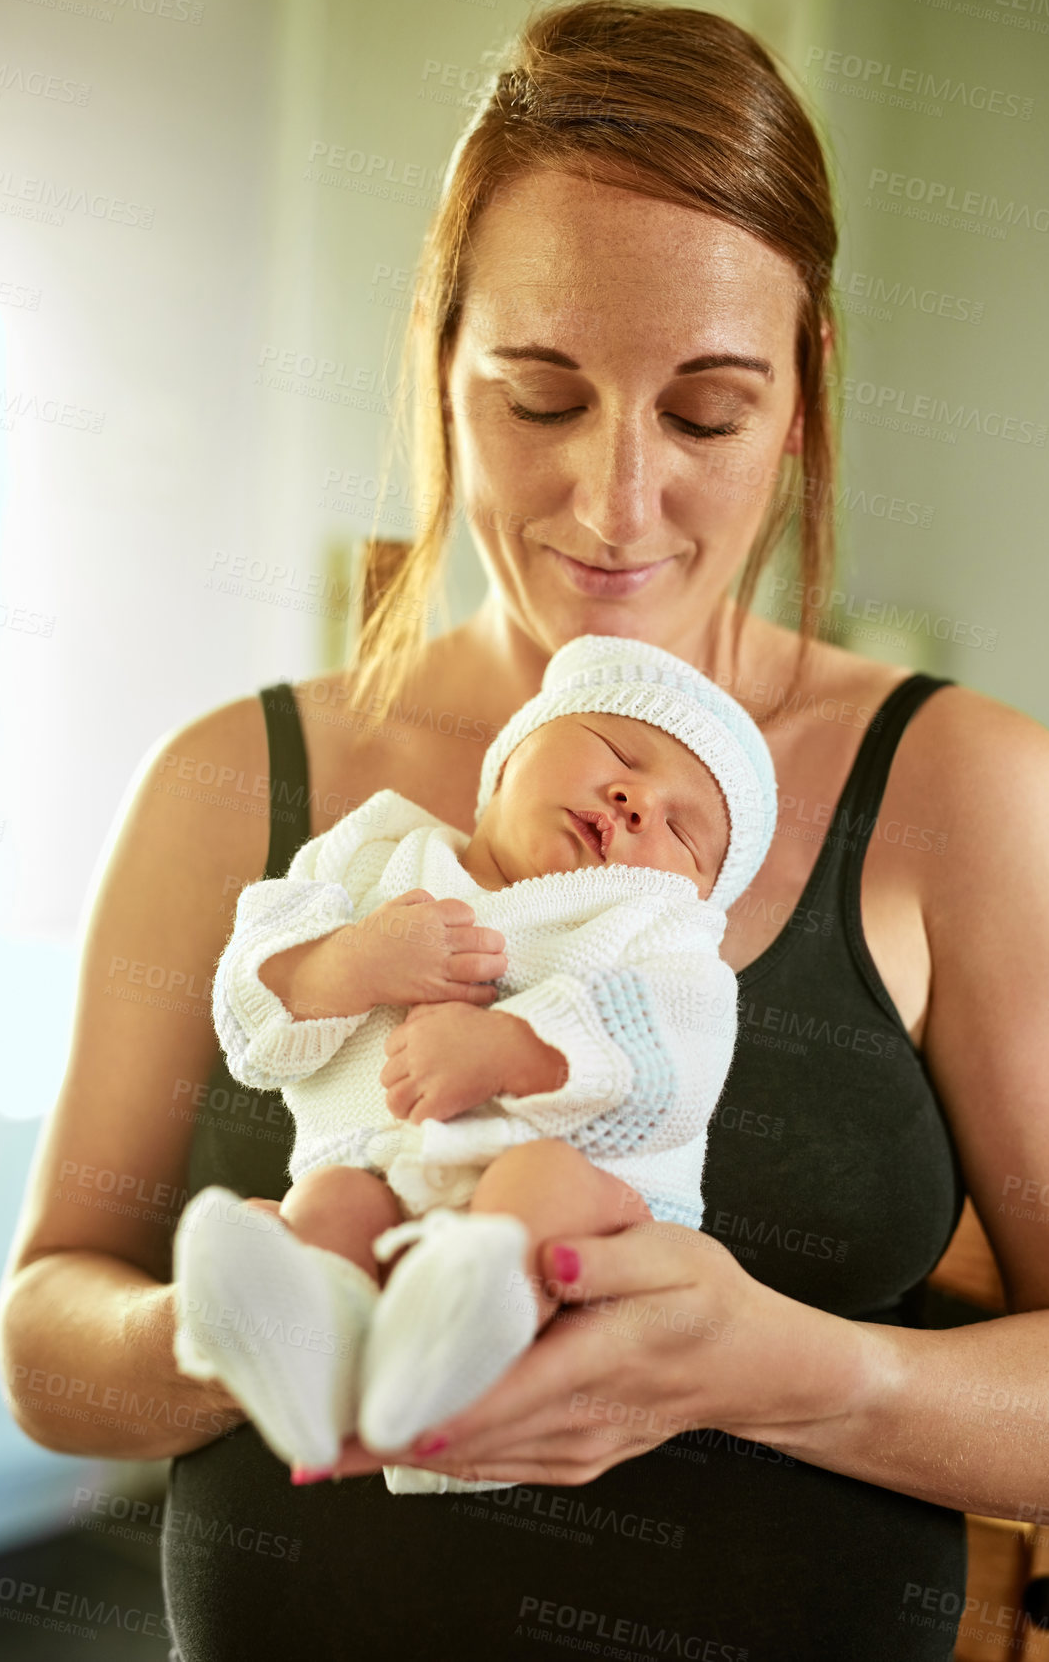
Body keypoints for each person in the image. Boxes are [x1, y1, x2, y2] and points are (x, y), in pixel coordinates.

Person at [0, 0, 1049, 1662]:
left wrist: (805, 1374)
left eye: (708, 414)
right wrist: (264, 1335)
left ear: (800, 403)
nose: (614, 501)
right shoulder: (237, 780)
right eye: (538, 395)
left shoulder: (966, 791)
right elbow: (47, 1341)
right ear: (439, 366)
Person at [171, 634, 776, 1490]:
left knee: (536, 1183)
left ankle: (460, 1339)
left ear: (694, 890)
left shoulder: (658, 931)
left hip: (584, 1208)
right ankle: (316, 1372)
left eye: (683, 829)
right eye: (616, 751)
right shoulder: (377, 854)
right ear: (509, 753)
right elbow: (250, 1011)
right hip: (382, 1178)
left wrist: (512, 1049)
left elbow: (677, 1058)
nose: (637, 799)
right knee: (326, 1203)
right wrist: (346, 962)